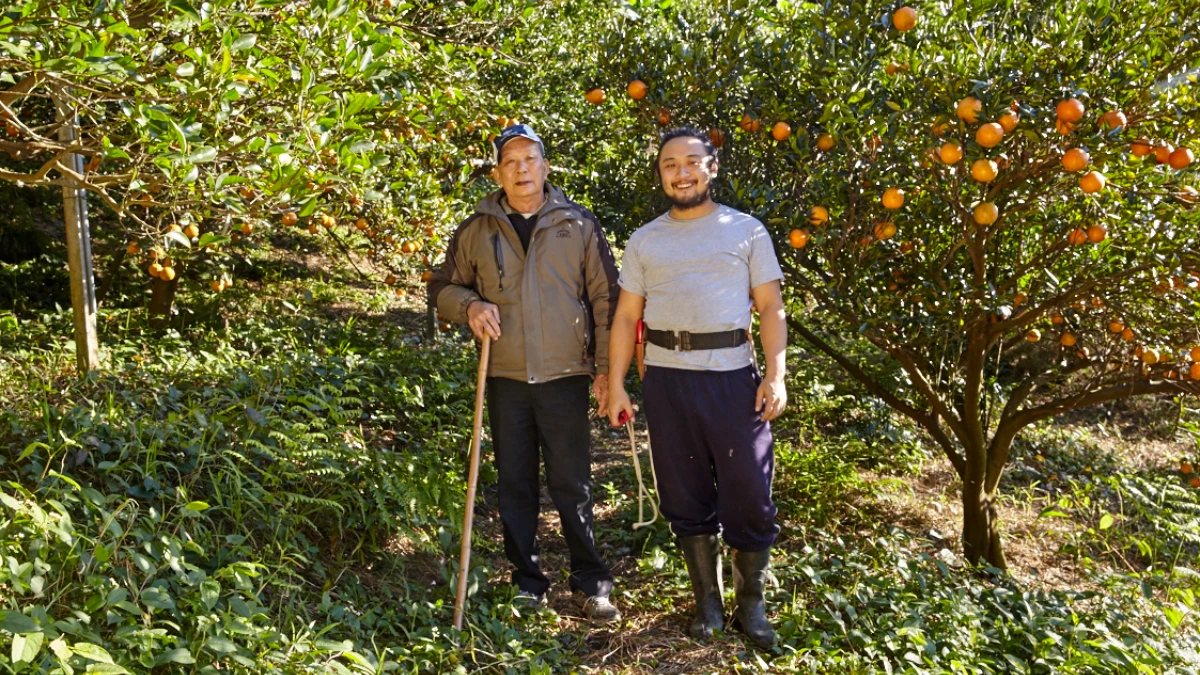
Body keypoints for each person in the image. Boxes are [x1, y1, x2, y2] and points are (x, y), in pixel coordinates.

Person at [427, 124, 621, 622]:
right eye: (510, 162)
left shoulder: (578, 224)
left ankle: (590, 581)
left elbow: (606, 299)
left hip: (565, 375)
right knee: (514, 484)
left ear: (545, 167)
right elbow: (442, 288)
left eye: (530, 159)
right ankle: (527, 583)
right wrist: (468, 305)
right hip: (506, 378)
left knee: (571, 482)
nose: (521, 170)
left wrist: (606, 372)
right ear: (497, 173)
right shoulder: (477, 229)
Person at [607, 127, 788, 647]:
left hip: (733, 380)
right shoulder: (645, 240)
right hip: (666, 381)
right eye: (670, 165)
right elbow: (625, 319)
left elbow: (771, 308)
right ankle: (706, 601)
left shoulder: (746, 230)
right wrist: (617, 384)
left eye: (691, 162)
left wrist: (775, 375)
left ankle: (751, 607)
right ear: (660, 174)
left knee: (750, 493)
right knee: (684, 495)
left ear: (712, 167)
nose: (681, 172)